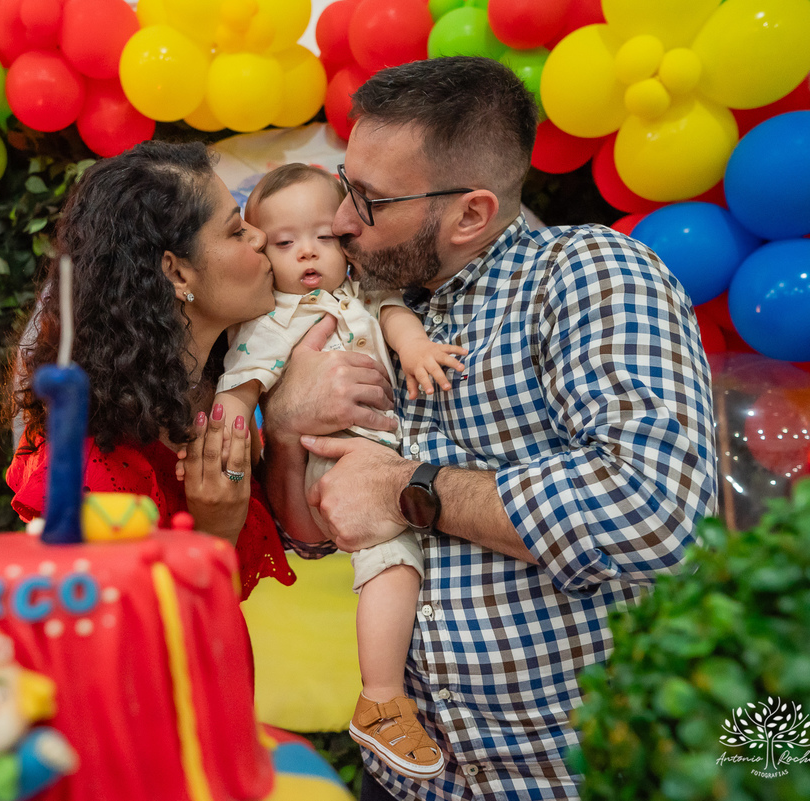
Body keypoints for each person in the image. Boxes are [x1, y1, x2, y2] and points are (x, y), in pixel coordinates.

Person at [259, 57, 717, 801]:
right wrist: (284, 430)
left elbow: (654, 511)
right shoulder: (366, 310)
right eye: (347, 183)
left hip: (575, 771)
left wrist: (410, 487)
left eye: (371, 201)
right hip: (413, 780)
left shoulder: (586, 271)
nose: (343, 220)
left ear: (471, 213)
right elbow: (315, 533)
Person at [203, 163, 465, 780]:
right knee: (393, 562)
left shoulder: (362, 295)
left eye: (324, 235)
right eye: (285, 243)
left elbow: (394, 314)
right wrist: (228, 427)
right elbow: (241, 385)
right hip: (336, 467)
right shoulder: (270, 321)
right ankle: (379, 696)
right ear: (263, 254)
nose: (309, 253)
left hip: (395, 461)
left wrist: (414, 347)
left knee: (410, 563)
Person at [3, 140, 295, 600]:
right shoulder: (94, 467)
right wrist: (215, 530)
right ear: (178, 275)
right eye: (237, 231)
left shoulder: (231, 373)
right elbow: (126, 637)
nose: (260, 237)